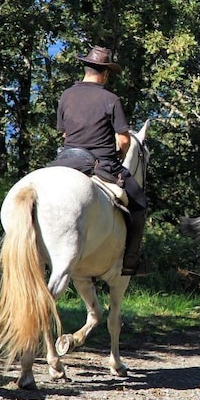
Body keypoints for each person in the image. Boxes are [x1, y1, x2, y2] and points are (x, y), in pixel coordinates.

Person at [56, 46, 148, 276]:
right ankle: (130, 260)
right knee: (139, 203)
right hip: (100, 162)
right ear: (105, 73)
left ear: (86, 68)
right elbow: (124, 140)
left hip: (65, 160)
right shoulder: (110, 99)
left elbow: (65, 134)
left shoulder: (66, 95)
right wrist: (119, 153)